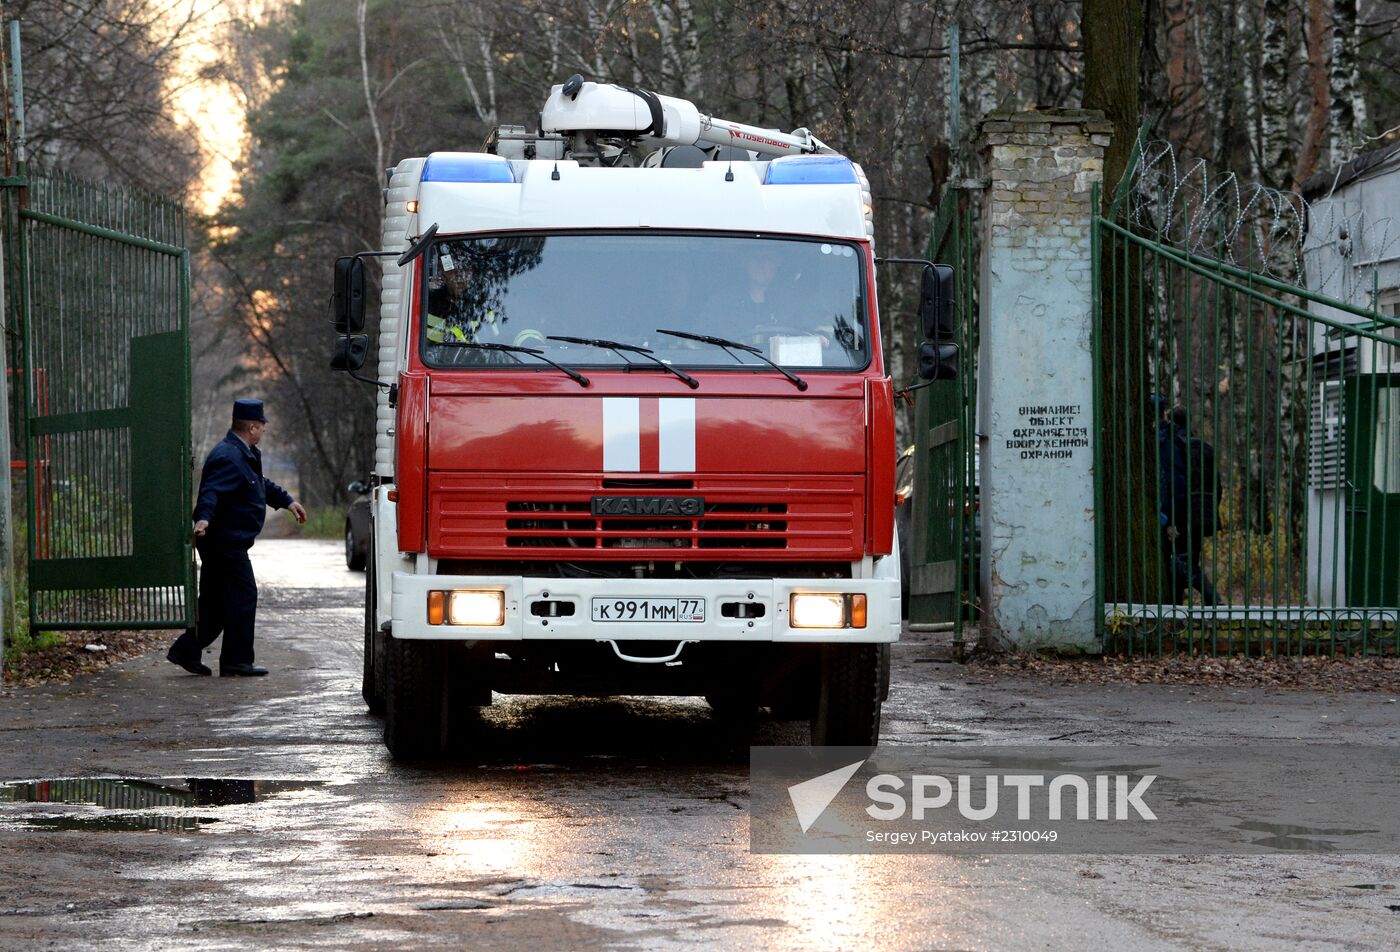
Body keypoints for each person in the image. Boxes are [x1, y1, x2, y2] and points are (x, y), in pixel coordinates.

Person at [166, 399, 307, 677]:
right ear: (252, 426)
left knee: (215, 604)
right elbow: (211, 491)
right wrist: (203, 518)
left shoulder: (245, 453)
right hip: (223, 542)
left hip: (226, 541)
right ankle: (236, 661)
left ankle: (185, 650)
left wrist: (287, 501)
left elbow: (260, 484)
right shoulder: (227, 456)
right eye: (262, 425)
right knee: (243, 596)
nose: (264, 429)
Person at [1157, 401, 1221, 607]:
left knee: (1180, 562)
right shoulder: (1205, 448)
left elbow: (1175, 485)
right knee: (1188, 560)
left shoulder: (1174, 445)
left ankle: (1212, 597)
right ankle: (1176, 608)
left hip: (1182, 513)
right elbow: (1217, 486)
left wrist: (1172, 518)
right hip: (1203, 514)